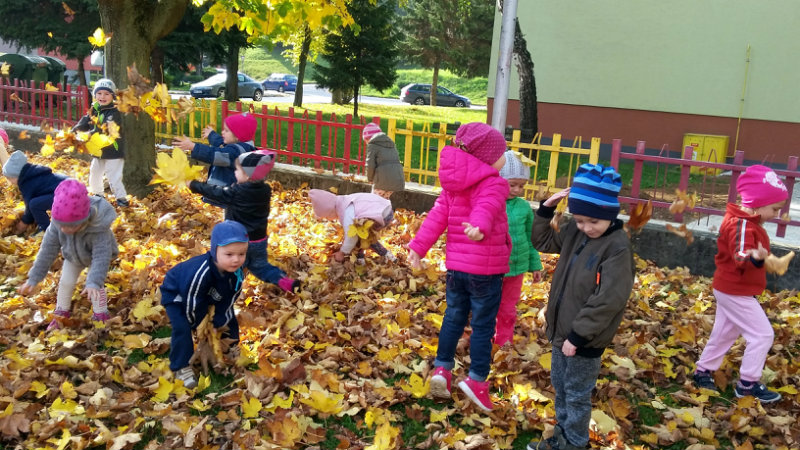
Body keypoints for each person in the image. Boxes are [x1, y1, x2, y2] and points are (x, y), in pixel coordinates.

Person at [527, 163, 634, 450]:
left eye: (593, 221)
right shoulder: (575, 231)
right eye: (580, 220)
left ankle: (574, 442)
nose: (586, 227)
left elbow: (608, 300)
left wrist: (578, 336)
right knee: (561, 387)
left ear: (609, 215)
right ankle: (562, 436)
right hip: (562, 332)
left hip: (583, 339)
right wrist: (546, 210)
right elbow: (542, 240)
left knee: (575, 393)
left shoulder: (617, 248)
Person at [407, 122, 510, 412]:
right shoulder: (493, 182)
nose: (504, 157)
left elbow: (437, 216)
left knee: (453, 317)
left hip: (456, 269)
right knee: (483, 325)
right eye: (501, 153)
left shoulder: (453, 185)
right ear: (486, 157)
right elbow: (487, 206)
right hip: (485, 271)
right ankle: (476, 380)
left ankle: (442, 368)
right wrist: (479, 226)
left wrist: (418, 246)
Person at [692, 165, 788, 404]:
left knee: (724, 333)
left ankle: (702, 371)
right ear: (757, 203)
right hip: (735, 291)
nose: (776, 214)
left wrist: (757, 258)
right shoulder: (742, 224)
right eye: (774, 208)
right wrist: (754, 258)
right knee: (762, 334)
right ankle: (748, 384)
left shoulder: (745, 222)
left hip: (731, 288)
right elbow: (740, 255)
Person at [187, 150, 300, 293]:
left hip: (239, 241)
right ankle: (283, 280)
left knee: (230, 267)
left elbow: (216, 192)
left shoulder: (236, 192)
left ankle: (227, 291)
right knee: (261, 266)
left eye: (237, 170)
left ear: (246, 175)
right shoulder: (265, 190)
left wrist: (194, 185)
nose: (235, 173)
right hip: (259, 240)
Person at [18, 179, 119, 330]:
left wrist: (93, 282)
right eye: (62, 226)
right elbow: (47, 250)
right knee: (65, 282)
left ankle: (101, 314)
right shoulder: (57, 225)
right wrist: (34, 278)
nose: (66, 230)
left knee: (95, 286)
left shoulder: (98, 227)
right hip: (72, 255)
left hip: (95, 257)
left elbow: (101, 256)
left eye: (72, 226)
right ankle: (61, 313)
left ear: (84, 219)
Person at [160, 220, 249, 389]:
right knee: (182, 326)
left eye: (241, 254)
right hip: (178, 294)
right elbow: (192, 302)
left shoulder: (236, 273)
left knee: (229, 317)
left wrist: (218, 322)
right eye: (229, 254)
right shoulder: (202, 272)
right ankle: (181, 366)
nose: (236, 260)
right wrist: (200, 326)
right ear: (215, 251)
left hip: (208, 295)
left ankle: (230, 347)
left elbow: (229, 300)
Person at [494, 151, 543, 347]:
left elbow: (531, 238)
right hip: (493, 268)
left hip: (517, 269)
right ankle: (484, 339)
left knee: (507, 308)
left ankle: (504, 342)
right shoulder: (489, 203)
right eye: (512, 184)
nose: (517, 190)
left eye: (521, 186)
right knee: (488, 306)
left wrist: (535, 264)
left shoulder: (524, 207)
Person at [173, 113, 257, 207]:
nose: (222, 132)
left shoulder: (236, 153)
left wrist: (193, 147)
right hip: (220, 197)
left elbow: (214, 154)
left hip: (223, 201)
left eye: (226, 130)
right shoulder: (236, 146)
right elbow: (220, 143)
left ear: (237, 135)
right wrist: (211, 134)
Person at [72, 79, 128, 207]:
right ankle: (98, 194)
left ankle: (121, 198)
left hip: (113, 151)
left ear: (113, 96)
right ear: (95, 95)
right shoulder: (94, 109)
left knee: (113, 175)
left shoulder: (115, 112)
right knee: (95, 172)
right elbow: (84, 122)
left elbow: (104, 128)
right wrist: (73, 132)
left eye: (107, 94)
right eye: (99, 93)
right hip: (99, 150)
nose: (102, 97)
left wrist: (88, 135)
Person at [309, 189, 396, 263]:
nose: (329, 219)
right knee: (362, 235)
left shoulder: (347, 212)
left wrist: (342, 252)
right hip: (384, 209)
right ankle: (361, 258)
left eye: (327, 216)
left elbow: (351, 237)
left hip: (382, 214)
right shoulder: (343, 201)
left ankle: (387, 257)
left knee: (365, 238)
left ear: (330, 210)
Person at [2, 151, 68, 233]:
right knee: (37, 203)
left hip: (67, 194)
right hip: (71, 187)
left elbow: (29, 207)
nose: (10, 182)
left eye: (9, 178)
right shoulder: (34, 174)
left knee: (34, 205)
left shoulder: (26, 183)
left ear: (16, 176)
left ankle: (47, 230)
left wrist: (24, 223)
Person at [362, 122, 404, 199]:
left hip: (382, 181)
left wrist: (370, 179)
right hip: (396, 179)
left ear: (368, 138)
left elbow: (370, 165)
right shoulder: (390, 144)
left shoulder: (372, 145)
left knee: (374, 200)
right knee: (385, 201)